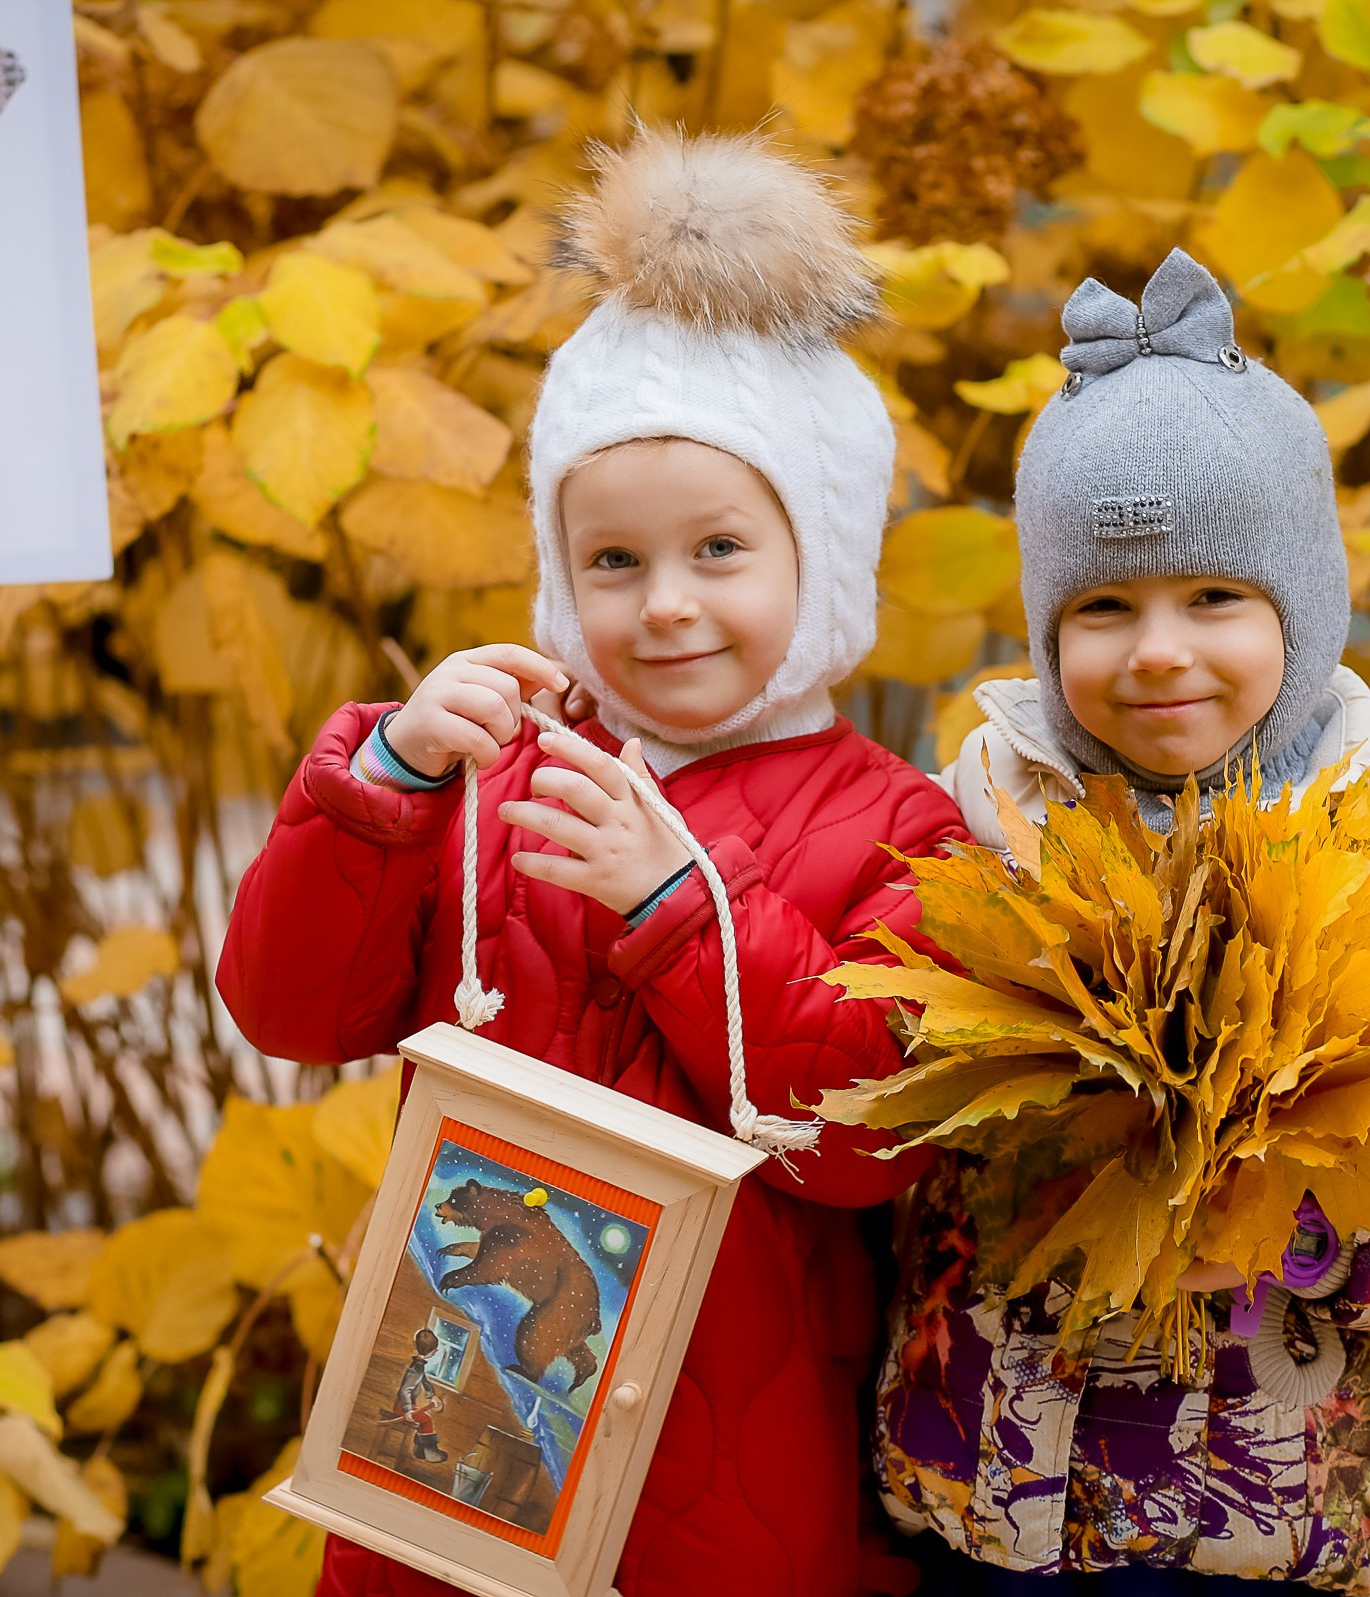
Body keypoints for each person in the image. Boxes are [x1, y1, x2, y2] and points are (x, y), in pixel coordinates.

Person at [215, 127, 968, 1597]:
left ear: (820, 556)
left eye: (720, 551)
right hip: (455, 1429)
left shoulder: (899, 823)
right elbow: (293, 1009)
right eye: (611, 563)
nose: (665, 605)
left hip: (723, 1457)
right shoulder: (495, 779)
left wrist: (678, 912)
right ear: (559, 573)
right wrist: (388, 783)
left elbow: (875, 1134)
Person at [876, 251, 1370, 1597]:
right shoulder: (977, 838)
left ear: (1303, 607)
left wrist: (1317, 1228)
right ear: (1046, 630)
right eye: (1103, 606)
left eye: (1214, 598)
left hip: (1264, 1523)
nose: (1157, 650)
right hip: (993, 1500)